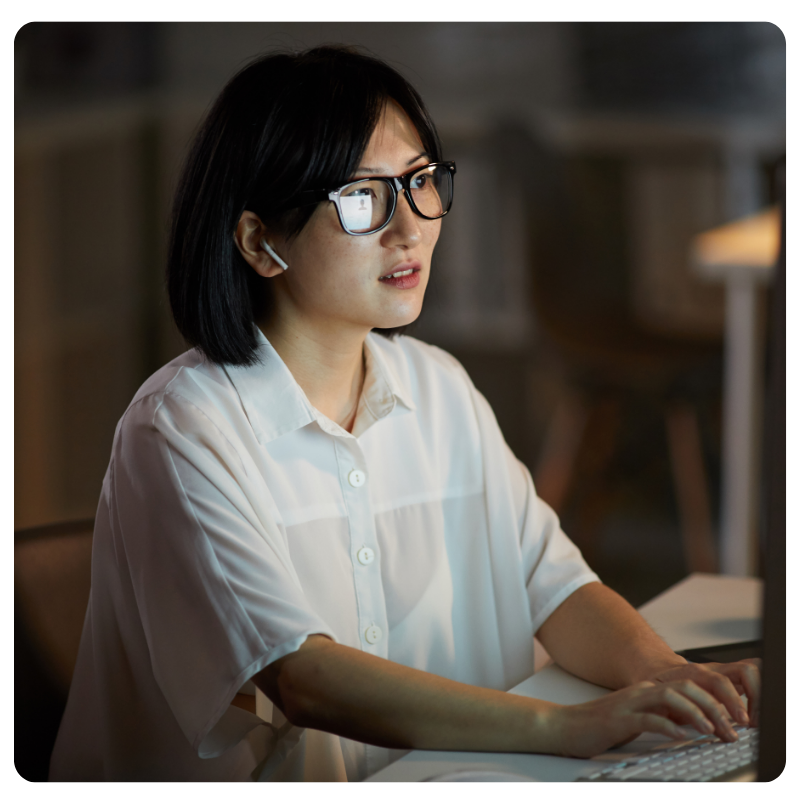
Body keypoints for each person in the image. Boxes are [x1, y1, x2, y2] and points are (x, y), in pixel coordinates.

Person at [49, 45, 760, 783]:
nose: (410, 228)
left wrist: (666, 674)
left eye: (419, 182)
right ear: (261, 242)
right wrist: (567, 728)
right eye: (362, 198)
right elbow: (300, 677)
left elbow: (554, 586)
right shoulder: (179, 430)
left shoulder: (440, 388)